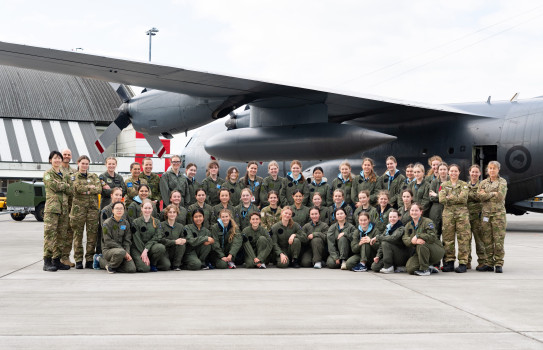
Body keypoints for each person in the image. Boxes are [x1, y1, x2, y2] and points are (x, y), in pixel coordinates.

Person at [42, 150, 72, 272]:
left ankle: (57, 260)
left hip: (64, 209)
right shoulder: (48, 174)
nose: (58, 160)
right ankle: (47, 261)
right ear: (50, 160)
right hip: (52, 209)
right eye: (55, 158)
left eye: (59, 158)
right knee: (50, 235)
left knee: (61, 235)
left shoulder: (65, 174)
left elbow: (71, 190)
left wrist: (64, 185)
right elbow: (53, 186)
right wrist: (65, 185)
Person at [70, 155, 102, 269]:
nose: (84, 165)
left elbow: (99, 189)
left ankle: (89, 259)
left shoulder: (93, 176)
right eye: (82, 163)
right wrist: (90, 188)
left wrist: (86, 190)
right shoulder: (73, 176)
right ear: (78, 163)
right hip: (78, 210)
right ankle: (78, 260)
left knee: (92, 236)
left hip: (92, 210)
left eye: (86, 163)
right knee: (78, 236)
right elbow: (76, 189)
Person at [439, 164, 471, 273]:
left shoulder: (464, 185)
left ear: (459, 172)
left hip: (462, 215)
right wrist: (455, 197)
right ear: (448, 172)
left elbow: (464, 198)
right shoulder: (443, 185)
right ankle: (449, 262)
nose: (453, 173)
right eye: (451, 171)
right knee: (448, 239)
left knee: (463, 238)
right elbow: (441, 199)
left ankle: (463, 263)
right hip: (448, 215)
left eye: (455, 171)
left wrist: (450, 197)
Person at [477, 161, 507, 273]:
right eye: (490, 168)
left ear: (498, 169)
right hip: (486, 215)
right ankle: (489, 263)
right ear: (487, 170)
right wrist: (493, 193)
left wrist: (487, 194)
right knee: (487, 239)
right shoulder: (483, 182)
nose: (492, 170)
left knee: (498, 239)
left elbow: (500, 197)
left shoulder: (502, 182)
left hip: (498, 215)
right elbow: (479, 196)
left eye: (494, 168)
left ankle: (498, 263)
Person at [402, 203, 444, 276]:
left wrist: (418, 235)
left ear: (421, 212)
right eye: (412, 210)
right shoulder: (408, 225)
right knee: (410, 268)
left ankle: (425, 269)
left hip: (435, 250)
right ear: (409, 212)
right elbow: (405, 238)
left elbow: (432, 236)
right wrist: (413, 241)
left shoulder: (428, 222)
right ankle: (430, 267)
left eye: (416, 210)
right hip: (420, 252)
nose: (414, 212)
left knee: (421, 244)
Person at [94, 202, 136, 273]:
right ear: (113, 210)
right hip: (108, 250)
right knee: (121, 252)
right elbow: (108, 241)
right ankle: (100, 260)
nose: (119, 210)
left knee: (131, 269)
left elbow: (127, 240)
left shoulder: (126, 223)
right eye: (117, 208)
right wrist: (124, 252)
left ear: (124, 210)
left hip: (122, 251)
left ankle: (114, 266)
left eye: (121, 209)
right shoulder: (107, 223)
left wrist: (127, 252)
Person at [97, 157, 127, 255]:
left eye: (113, 164)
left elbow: (124, 190)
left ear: (116, 165)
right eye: (109, 164)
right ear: (106, 164)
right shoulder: (102, 177)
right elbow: (103, 191)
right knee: (103, 228)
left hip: (118, 206)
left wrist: (112, 189)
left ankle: (117, 250)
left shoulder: (119, 177)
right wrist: (117, 190)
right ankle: (100, 252)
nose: (111, 166)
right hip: (106, 205)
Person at [130, 199, 170, 272]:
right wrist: (143, 252)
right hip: (138, 248)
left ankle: (153, 263)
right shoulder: (135, 222)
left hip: (150, 248)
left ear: (152, 209)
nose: (147, 210)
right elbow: (137, 240)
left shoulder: (157, 222)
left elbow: (157, 236)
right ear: (141, 208)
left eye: (149, 208)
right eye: (145, 208)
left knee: (165, 264)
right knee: (144, 268)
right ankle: (143, 262)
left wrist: (146, 250)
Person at [467, 164, 486, 270]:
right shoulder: (466, 185)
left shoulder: (483, 185)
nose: (474, 174)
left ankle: (482, 261)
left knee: (479, 240)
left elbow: (480, 197)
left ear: (480, 173)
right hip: (467, 217)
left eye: (476, 172)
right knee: (466, 241)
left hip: (478, 217)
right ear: (469, 172)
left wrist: (467, 195)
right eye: (472, 172)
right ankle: (467, 262)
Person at [59, 148, 76, 267]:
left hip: (71, 206)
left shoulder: (74, 171)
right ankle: (56, 258)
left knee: (70, 232)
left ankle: (65, 257)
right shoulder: (56, 170)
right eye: (64, 154)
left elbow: (75, 187)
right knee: (58, 232)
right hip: (59, 206)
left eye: (68, 154)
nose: (66, 156)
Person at [160, 204, 187, 271]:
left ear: (177, 214)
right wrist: (174, 242)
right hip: (165, 250)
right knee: (166, 266)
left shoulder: (180, 226)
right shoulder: (161, 225)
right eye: (170, 212)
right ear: (166, 214)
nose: (172, 214)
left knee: (182, 244)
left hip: (175, 250)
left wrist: (183, 240)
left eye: (174, 212)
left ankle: (176, 265)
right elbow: (160, 239)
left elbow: (184, 237)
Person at [428, 162, 449, 239]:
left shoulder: (451, 181)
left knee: (447, 234)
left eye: (444, 169)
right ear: (438, 171)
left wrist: (436, 195)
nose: (442, 171)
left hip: (448, 209)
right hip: (436, 210)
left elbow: (452, 197)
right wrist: (445, 197)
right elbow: (431, 197)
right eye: (441, 169)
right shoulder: (434, 182)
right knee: (435, 233)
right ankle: (436, 250)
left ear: (447, 170)